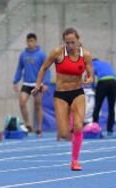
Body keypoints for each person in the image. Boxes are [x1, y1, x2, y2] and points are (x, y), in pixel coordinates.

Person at [33, 27, 93, 171]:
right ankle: (71, 120)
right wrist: (38, 85)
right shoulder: (57, 53)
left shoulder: (85, 55)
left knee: (79, 127)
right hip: (61, 94)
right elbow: (43, 68)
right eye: (67, 43)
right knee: (64, 133)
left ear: (78, 40)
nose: (70, 46)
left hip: (77, 92)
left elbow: (90, 74)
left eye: (72, 42)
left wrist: (89, 79)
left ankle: (74, 161)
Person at [13, 33, 51, 136]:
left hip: (37, 84)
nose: (30, 43)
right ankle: (28, 125)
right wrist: (15, 81)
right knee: (22, 103)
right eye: (28, 41)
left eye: (32, 41)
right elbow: (19, 68)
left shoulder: (41, 54)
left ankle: (39, 128)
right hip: (26, 83)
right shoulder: (23, 55)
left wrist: (46, 83)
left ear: (35, 42)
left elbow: (46, 70)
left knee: (37, 105)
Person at [91, 58, 116, 136]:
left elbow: (91, 75)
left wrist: (93, 87)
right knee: (111, 108)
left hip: (103, 83)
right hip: (113, 82)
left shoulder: (92, 64)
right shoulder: (106, 63)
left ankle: (95, 129)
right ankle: (110, 130)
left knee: (97, 106)